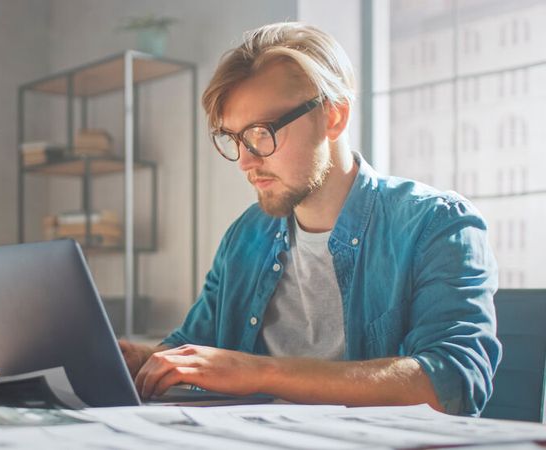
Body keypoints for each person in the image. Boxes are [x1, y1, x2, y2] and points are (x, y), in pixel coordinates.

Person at [119, 22, 500, 416]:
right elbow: (193, 343)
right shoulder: (245, 235)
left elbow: (453, 381)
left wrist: (261, 373)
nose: (246, 161)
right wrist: (142, 359)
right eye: (234, 139)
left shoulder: (436, 225)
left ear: (333, 117)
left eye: (260, 132)